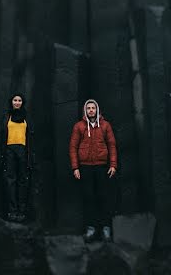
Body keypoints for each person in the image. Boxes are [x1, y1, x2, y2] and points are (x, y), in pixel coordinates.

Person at [68, 98, 117, 242]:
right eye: (88, 108)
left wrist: (113, 165)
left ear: (97, 110)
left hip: (102, 166)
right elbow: (73, 147)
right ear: (85, 110)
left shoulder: (105, 125)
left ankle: (106, 229)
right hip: (85, 167)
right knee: (88, 198)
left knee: (104, 198)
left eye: (93, 108)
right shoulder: (79, 126)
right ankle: (91, 229)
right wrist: (75, 167)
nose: (91, 110)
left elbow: (112, 145)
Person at [0, 93, 32, 222]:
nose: (17, 102)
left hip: (23, 150)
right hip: (9, 150)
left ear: (22, 103)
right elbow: (1, 136)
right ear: (11, 102)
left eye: (19, 100)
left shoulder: (26, 118)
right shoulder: (7, 116)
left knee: (23, 180)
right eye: (15, 100)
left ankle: (21, 211)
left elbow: (30, 137)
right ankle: (12, 211)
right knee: (10, 180)